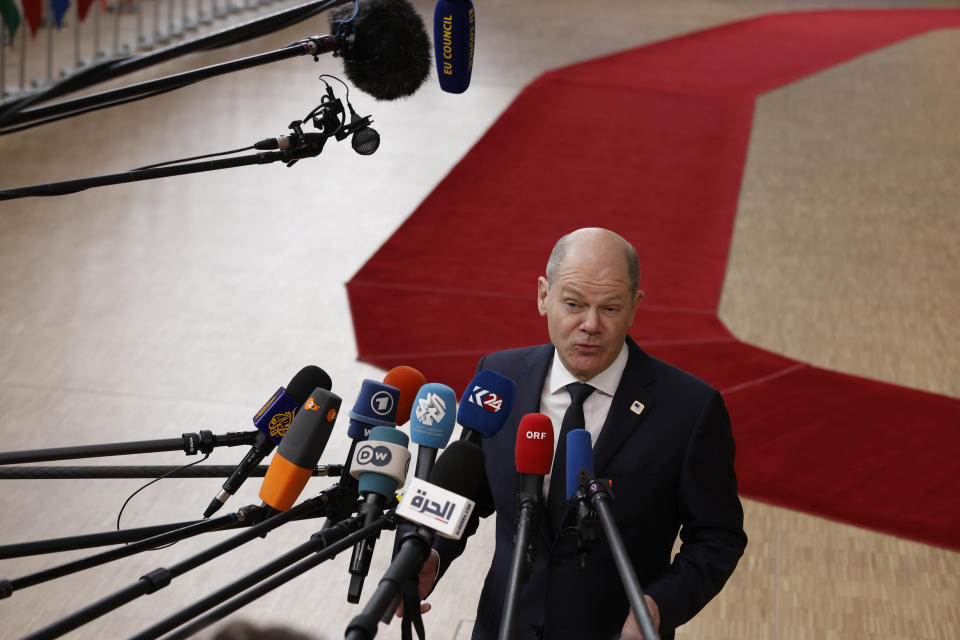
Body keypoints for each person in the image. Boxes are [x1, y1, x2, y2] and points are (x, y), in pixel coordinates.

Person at [411, 227, 747, 639]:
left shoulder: (690, 409)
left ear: (634, 307)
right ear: (543, 296)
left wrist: (660, 605)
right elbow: (467, 492)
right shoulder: (498, 378)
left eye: (609, 308)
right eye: (573, 304)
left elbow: (717, 536)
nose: (590, 325)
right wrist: (430, 555)